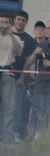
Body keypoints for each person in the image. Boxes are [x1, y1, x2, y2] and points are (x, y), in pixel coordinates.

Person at [11, 11, 36, 142]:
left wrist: (22, 78)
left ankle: (15, 133)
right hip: (4, 74)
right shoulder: (4, 35)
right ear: (14, 20)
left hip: (18, 77)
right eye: (18, 19)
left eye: (23, 20)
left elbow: (28, 61)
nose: (20, 22)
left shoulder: (29, 40)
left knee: (17, 107)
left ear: (26, 22)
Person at [0, 13, 22, 142]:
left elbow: (19, 51)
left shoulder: (15, 37)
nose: (3, 24)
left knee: (9, 106)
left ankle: (7, 136)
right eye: (1, 22)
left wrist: (11, 34)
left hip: (8, 72)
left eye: (5, 22)